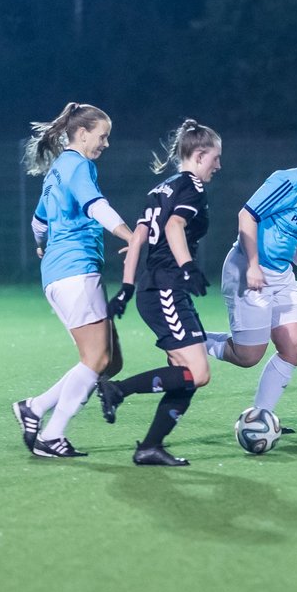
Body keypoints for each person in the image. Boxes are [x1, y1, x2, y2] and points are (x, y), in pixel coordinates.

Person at [199, 130, 297, 431]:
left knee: (294, 347)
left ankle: (260, 418)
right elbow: (246, 215)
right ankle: (190, 340)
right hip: (247, 268)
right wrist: (253, 265)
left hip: (281, 275)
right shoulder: (288, 181)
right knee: (248, 356)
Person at [96, 120, 221, 467]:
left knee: (185, 376)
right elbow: (174, 225)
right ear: (198, 155)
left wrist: (126, 287)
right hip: (167, 287)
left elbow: (137, 239)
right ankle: (117, 389)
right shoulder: (192, 187)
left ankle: (150, 446)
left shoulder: (160, 188)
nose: (218, 166)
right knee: (197, 372)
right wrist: (186, 266)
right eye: (215, 158)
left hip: (158, 287)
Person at [11, 102, 132, 459]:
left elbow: (38, 223)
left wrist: (40, 246)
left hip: (58, 274)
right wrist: (129, 235)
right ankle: (51, 435)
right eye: (102, 136)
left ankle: (34, 408)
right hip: (76, 271)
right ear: (82, 134)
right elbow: (96, 206)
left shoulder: (56, 172)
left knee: (110, 361)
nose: (105, 144)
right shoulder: (80, 165)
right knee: (96, 358)